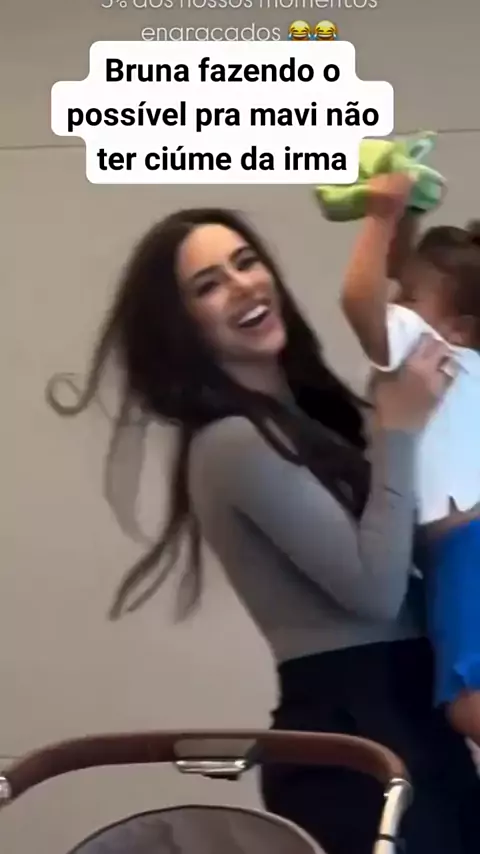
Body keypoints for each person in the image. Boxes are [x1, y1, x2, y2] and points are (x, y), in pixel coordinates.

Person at [47, 208, 480, 853]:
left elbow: (413, 535)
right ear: (180, 325)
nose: (242, 284)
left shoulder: (311, 419)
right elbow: (374, 590)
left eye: (246, 262)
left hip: (408, 709)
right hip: (354, 728)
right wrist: (398, 431)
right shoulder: (231, 444)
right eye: (208, 285)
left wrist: (401, 232)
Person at [341, 172, 480, 751]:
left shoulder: (432, 353)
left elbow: (358, 300)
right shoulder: (461, 357)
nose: (395, 303)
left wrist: (380, 217)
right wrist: (406, 218)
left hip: (465, 549)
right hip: (462, 542)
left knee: (470, 699)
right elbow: (399, 273)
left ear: (456, 328)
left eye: (410, 299)